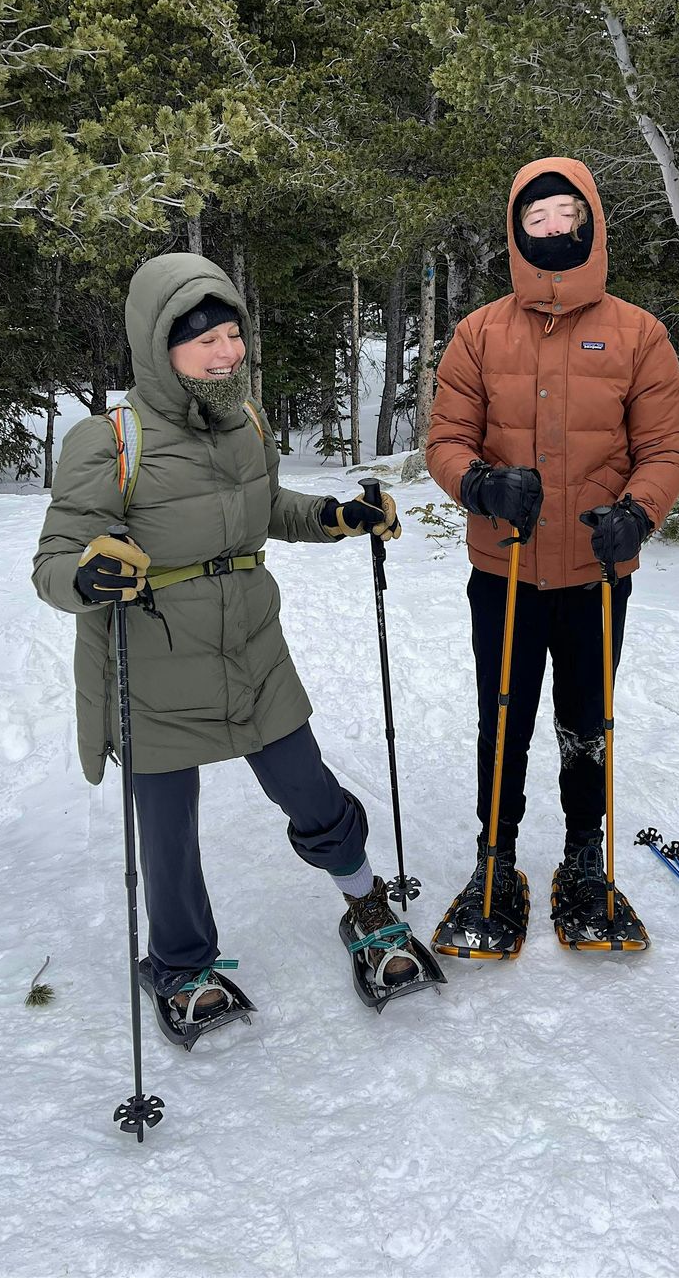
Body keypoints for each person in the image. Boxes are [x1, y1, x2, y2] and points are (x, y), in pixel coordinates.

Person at [33, 252, 442, 1039]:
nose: (224, 353)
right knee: (168, 831)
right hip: (153, 666)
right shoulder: (107, 440)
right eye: (202, 341)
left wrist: (335, 517)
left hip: (252, 650)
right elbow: (54, 559)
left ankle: (366, 905)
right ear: (159, 348)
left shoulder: (246, 420)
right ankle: (183, 964)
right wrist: (88, 577)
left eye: (231, 335)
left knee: (310, 792)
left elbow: (264, 507)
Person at [426, 159, 679, 956]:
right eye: (535, 218)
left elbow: (666, 448)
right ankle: (495, 859)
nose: (551, 229)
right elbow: (445, 440)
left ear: (590, 223)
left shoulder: (640, 332)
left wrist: (639, 516)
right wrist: (478, 484)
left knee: (587, 721)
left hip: (597, 575)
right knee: (502, 719)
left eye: (565, 214)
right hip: (503, 571)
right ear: (516, 229)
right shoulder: (479, 333)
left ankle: (584, 855)